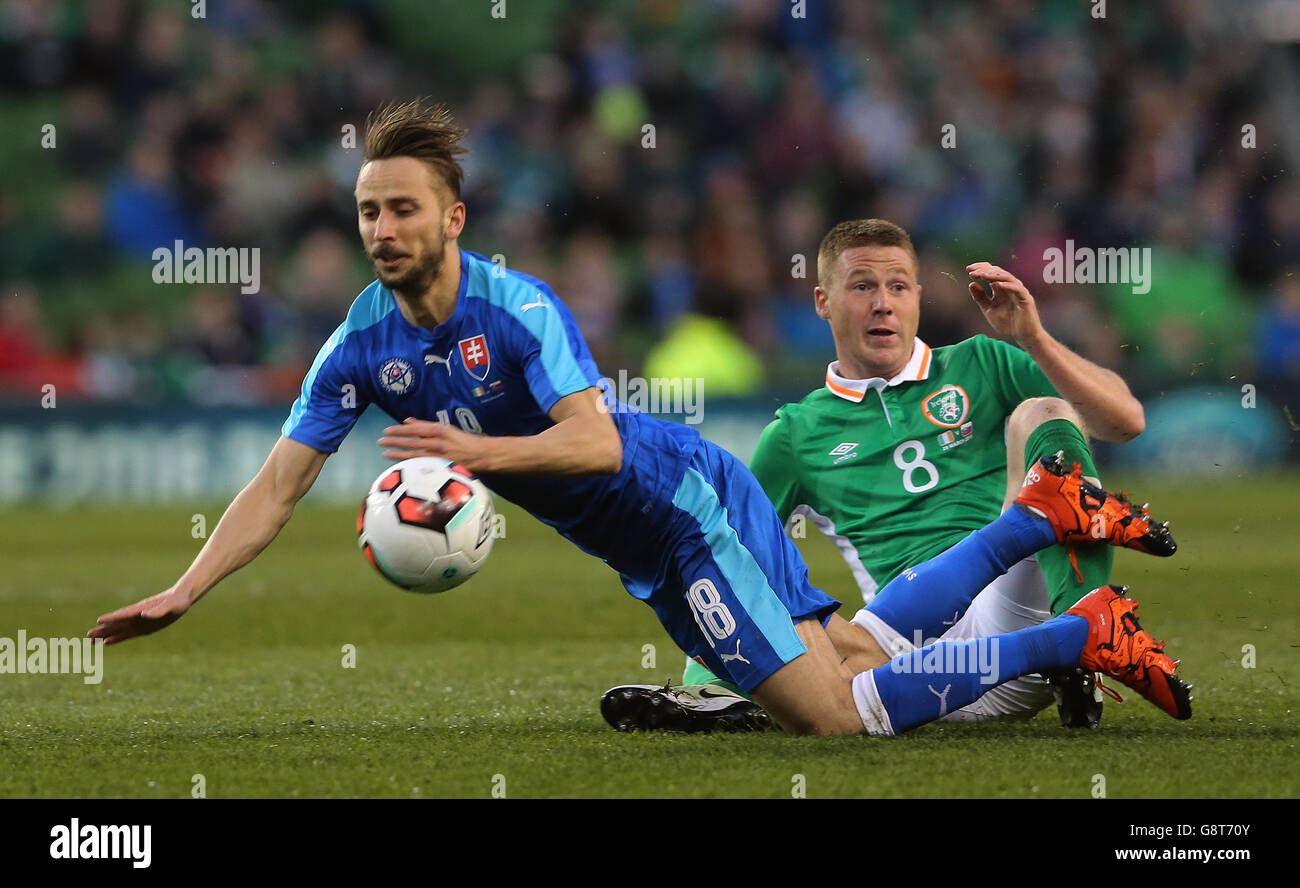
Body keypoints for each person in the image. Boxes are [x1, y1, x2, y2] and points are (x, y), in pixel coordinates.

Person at [88, 100, 1189, 736]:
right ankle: (1032, 520)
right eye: (368, 208)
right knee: (850, 651)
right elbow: (279, 484)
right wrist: (188, 589)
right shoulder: (356, 346)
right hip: (644, 543)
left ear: (451, 217)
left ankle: (1069, 633)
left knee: (835, 715)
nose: (382, 226)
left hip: (680, 504)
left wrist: (471, 451)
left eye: (403, 207)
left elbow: (595, 441)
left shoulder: (516, 308)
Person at [602, 218, 1158, 732]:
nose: (882, 304)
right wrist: (706, 683)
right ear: (823, 301)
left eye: (897, 286)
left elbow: (1125, 421)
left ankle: (1081, 638)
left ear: (917, 297)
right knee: (814, 640)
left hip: (1018, 605)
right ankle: (717, 701)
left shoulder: (980, 362)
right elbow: (729, 558)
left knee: (1046, 414)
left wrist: (1032, 337)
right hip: (902, 654)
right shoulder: (797, 434)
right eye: (862, 286)